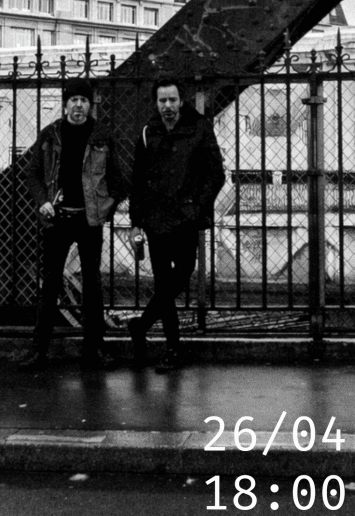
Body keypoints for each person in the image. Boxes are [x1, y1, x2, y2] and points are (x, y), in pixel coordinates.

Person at [22, 78, 125, 372]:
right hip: (57, 218)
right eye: (74, 100)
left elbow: (118, 180)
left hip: (89, 219)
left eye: (84, 100)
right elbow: (32, 173)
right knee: (50, 284)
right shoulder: (50, 134)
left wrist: (105, 207)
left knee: (92, 285)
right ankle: (39, 350)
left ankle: (94, 349)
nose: (79, 105)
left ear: (90, 105)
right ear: (65, 104)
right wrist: (43, 200)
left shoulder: (102, 136)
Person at [128, 77, 225, 371]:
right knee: (163, 284)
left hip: (185, 219)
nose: (167, 106)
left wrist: (196, 207)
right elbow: (137, 180)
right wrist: (136, 222)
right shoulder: (148, 132)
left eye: (172, 100)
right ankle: (172, 349)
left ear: (181, 101)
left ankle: (141, 325)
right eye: (162, 101)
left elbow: (215, 174)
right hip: (155, 220)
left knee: (181, 275)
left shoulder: (199, 128)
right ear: (156, 103)